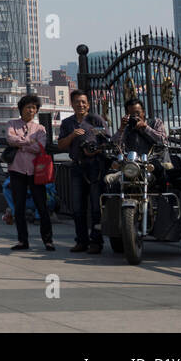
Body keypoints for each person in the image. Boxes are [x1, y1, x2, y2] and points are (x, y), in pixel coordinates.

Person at [57, 89, 109, 253]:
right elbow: (61, 145)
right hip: (77, 167)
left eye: (83, 102)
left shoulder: (96, 120)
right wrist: (72, 136)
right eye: (77, 102)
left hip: (95, 167)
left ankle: (96, 241)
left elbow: (108, 142)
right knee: (78, 208)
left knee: (95, 207)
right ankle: (81, 240)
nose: (81, 104)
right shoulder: (67, 124)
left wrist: (95, 151)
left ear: (88, 103)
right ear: (71, 104)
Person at [6, 94, 54, 251]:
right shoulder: (12, 124)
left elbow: (40, 147)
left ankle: (48, 240)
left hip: (35, 172)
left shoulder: (40, 128)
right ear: (21, 109)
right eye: (28, 107)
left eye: (34, 108)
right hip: (17, 170)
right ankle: (22, 240)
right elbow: (10, 139)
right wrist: (29, 142)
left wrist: (21, 143)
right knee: (18, 207)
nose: (31, 110)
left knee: (42, 206)